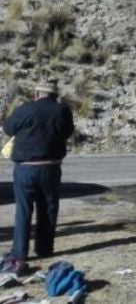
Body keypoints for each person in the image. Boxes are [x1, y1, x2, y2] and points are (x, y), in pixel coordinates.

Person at [1, 78, 74, 274]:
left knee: (23, 211)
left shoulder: (26, 109)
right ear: (55, 95)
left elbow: (7, 128)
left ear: (36, 94)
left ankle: (20, 252)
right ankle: (44, 248)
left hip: (26, 168)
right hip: (51, 167)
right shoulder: (63, 111)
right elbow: (67, 132)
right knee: (48, 209)